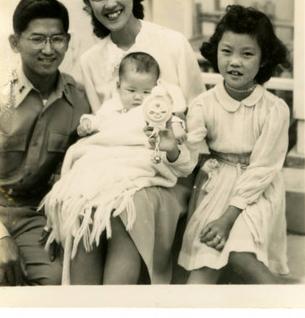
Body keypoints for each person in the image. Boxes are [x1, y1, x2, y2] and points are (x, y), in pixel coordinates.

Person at [71, 0, 205, 284]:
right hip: (112, 167)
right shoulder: (89, 61)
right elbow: (100, 128)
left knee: (121, 209)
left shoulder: (172, 44)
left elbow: (200, 119)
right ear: (88, 4)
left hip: (168, 172)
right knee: (83, 206)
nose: (110, 4)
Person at [40, 51, 192, 284]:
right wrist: (87, 124)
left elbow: (178, 141)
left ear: (158, 89)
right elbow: (98, 123)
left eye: (146, 92)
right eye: (131, 91)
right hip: (104, 161)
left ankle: (116, 298)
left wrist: (173, 136)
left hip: (134, 166)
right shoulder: (111, 107)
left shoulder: (158, 112)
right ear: (119, 86)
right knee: (85, 210)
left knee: (122, 216)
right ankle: (85, 299)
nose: (139, 98)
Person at [178, 5, 290, 284]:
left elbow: (264, 168)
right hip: (215, 188)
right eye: (226, 51)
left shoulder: (274, 108)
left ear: (264, 59)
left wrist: (228, 218)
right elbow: (187, 158)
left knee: (239, 251)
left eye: (247, 54)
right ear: (216, 52)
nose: (234, 61)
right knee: (201, 270)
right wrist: (171, 148)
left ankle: (288, 305)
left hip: (257, 192)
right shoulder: (204, 104)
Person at [0, 0, 90, 286]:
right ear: (15, 43)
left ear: (67, 40)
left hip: (36, 218)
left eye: (57, 39)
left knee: (53, 282)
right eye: (37, 39)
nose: (48, 50)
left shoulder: (79, 101)